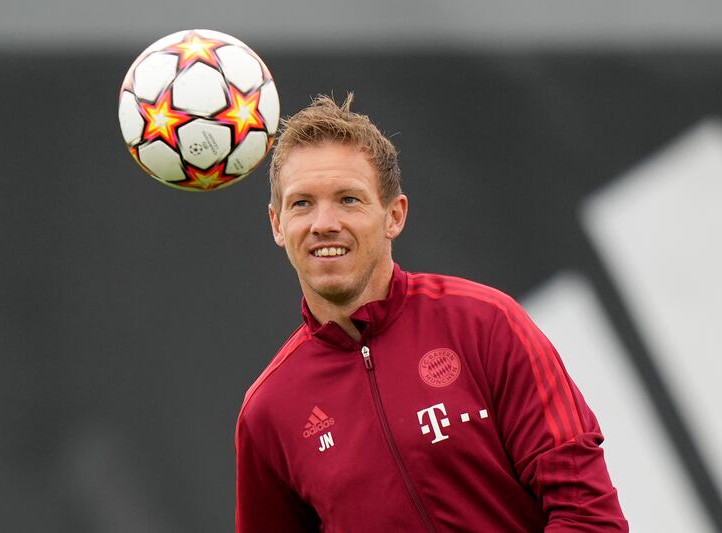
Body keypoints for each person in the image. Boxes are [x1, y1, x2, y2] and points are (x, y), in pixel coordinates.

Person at [235, 93, 627, 532]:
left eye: (348, 199)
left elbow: (588, 514)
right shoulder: (267, 411)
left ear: (394, 216)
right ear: (276, 224)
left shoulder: (486, 324)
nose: (324, 222)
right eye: (302, 203)